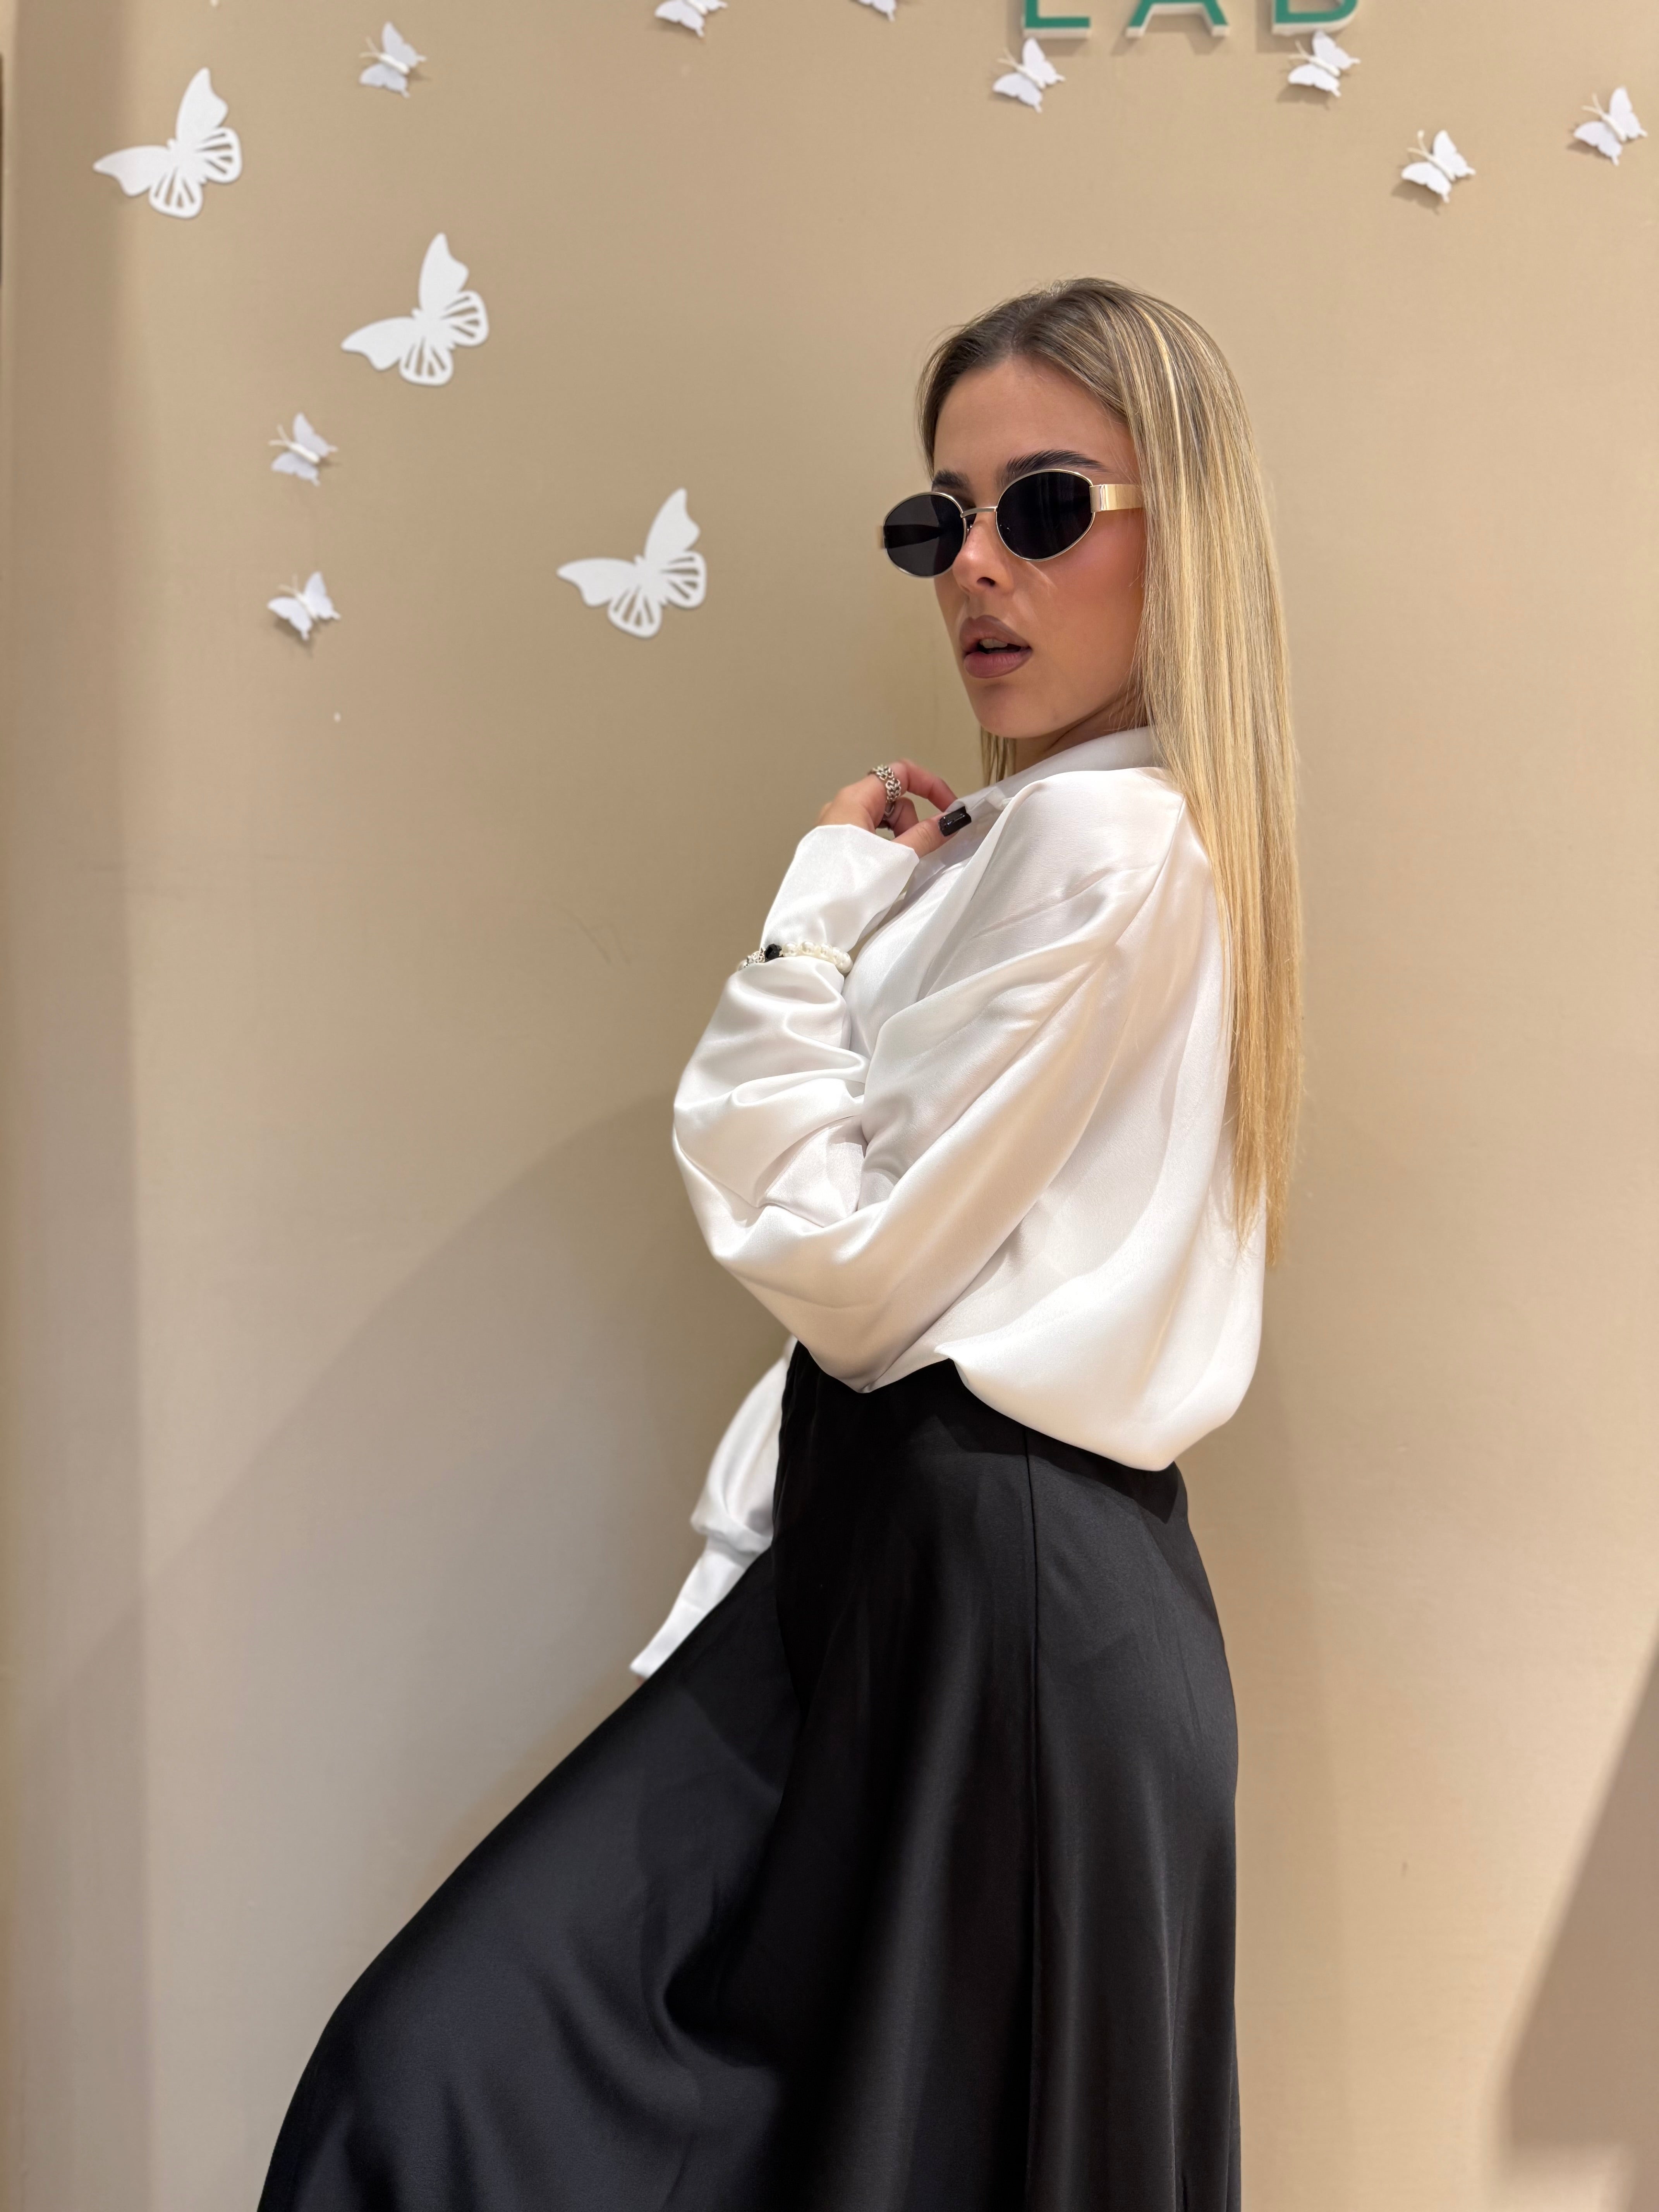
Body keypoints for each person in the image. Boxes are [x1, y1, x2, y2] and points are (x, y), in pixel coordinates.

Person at [258, 275, 1302, 2212]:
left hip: (987, 1596)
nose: (975, 568)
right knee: (474, 2083)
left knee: (441, 2084)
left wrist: (819, 907)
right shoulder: (1047, 841)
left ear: (1189, 533)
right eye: (939, 521)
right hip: (951, 1580)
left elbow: (849, 1263)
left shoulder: (1109, 844)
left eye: (1044, 509)